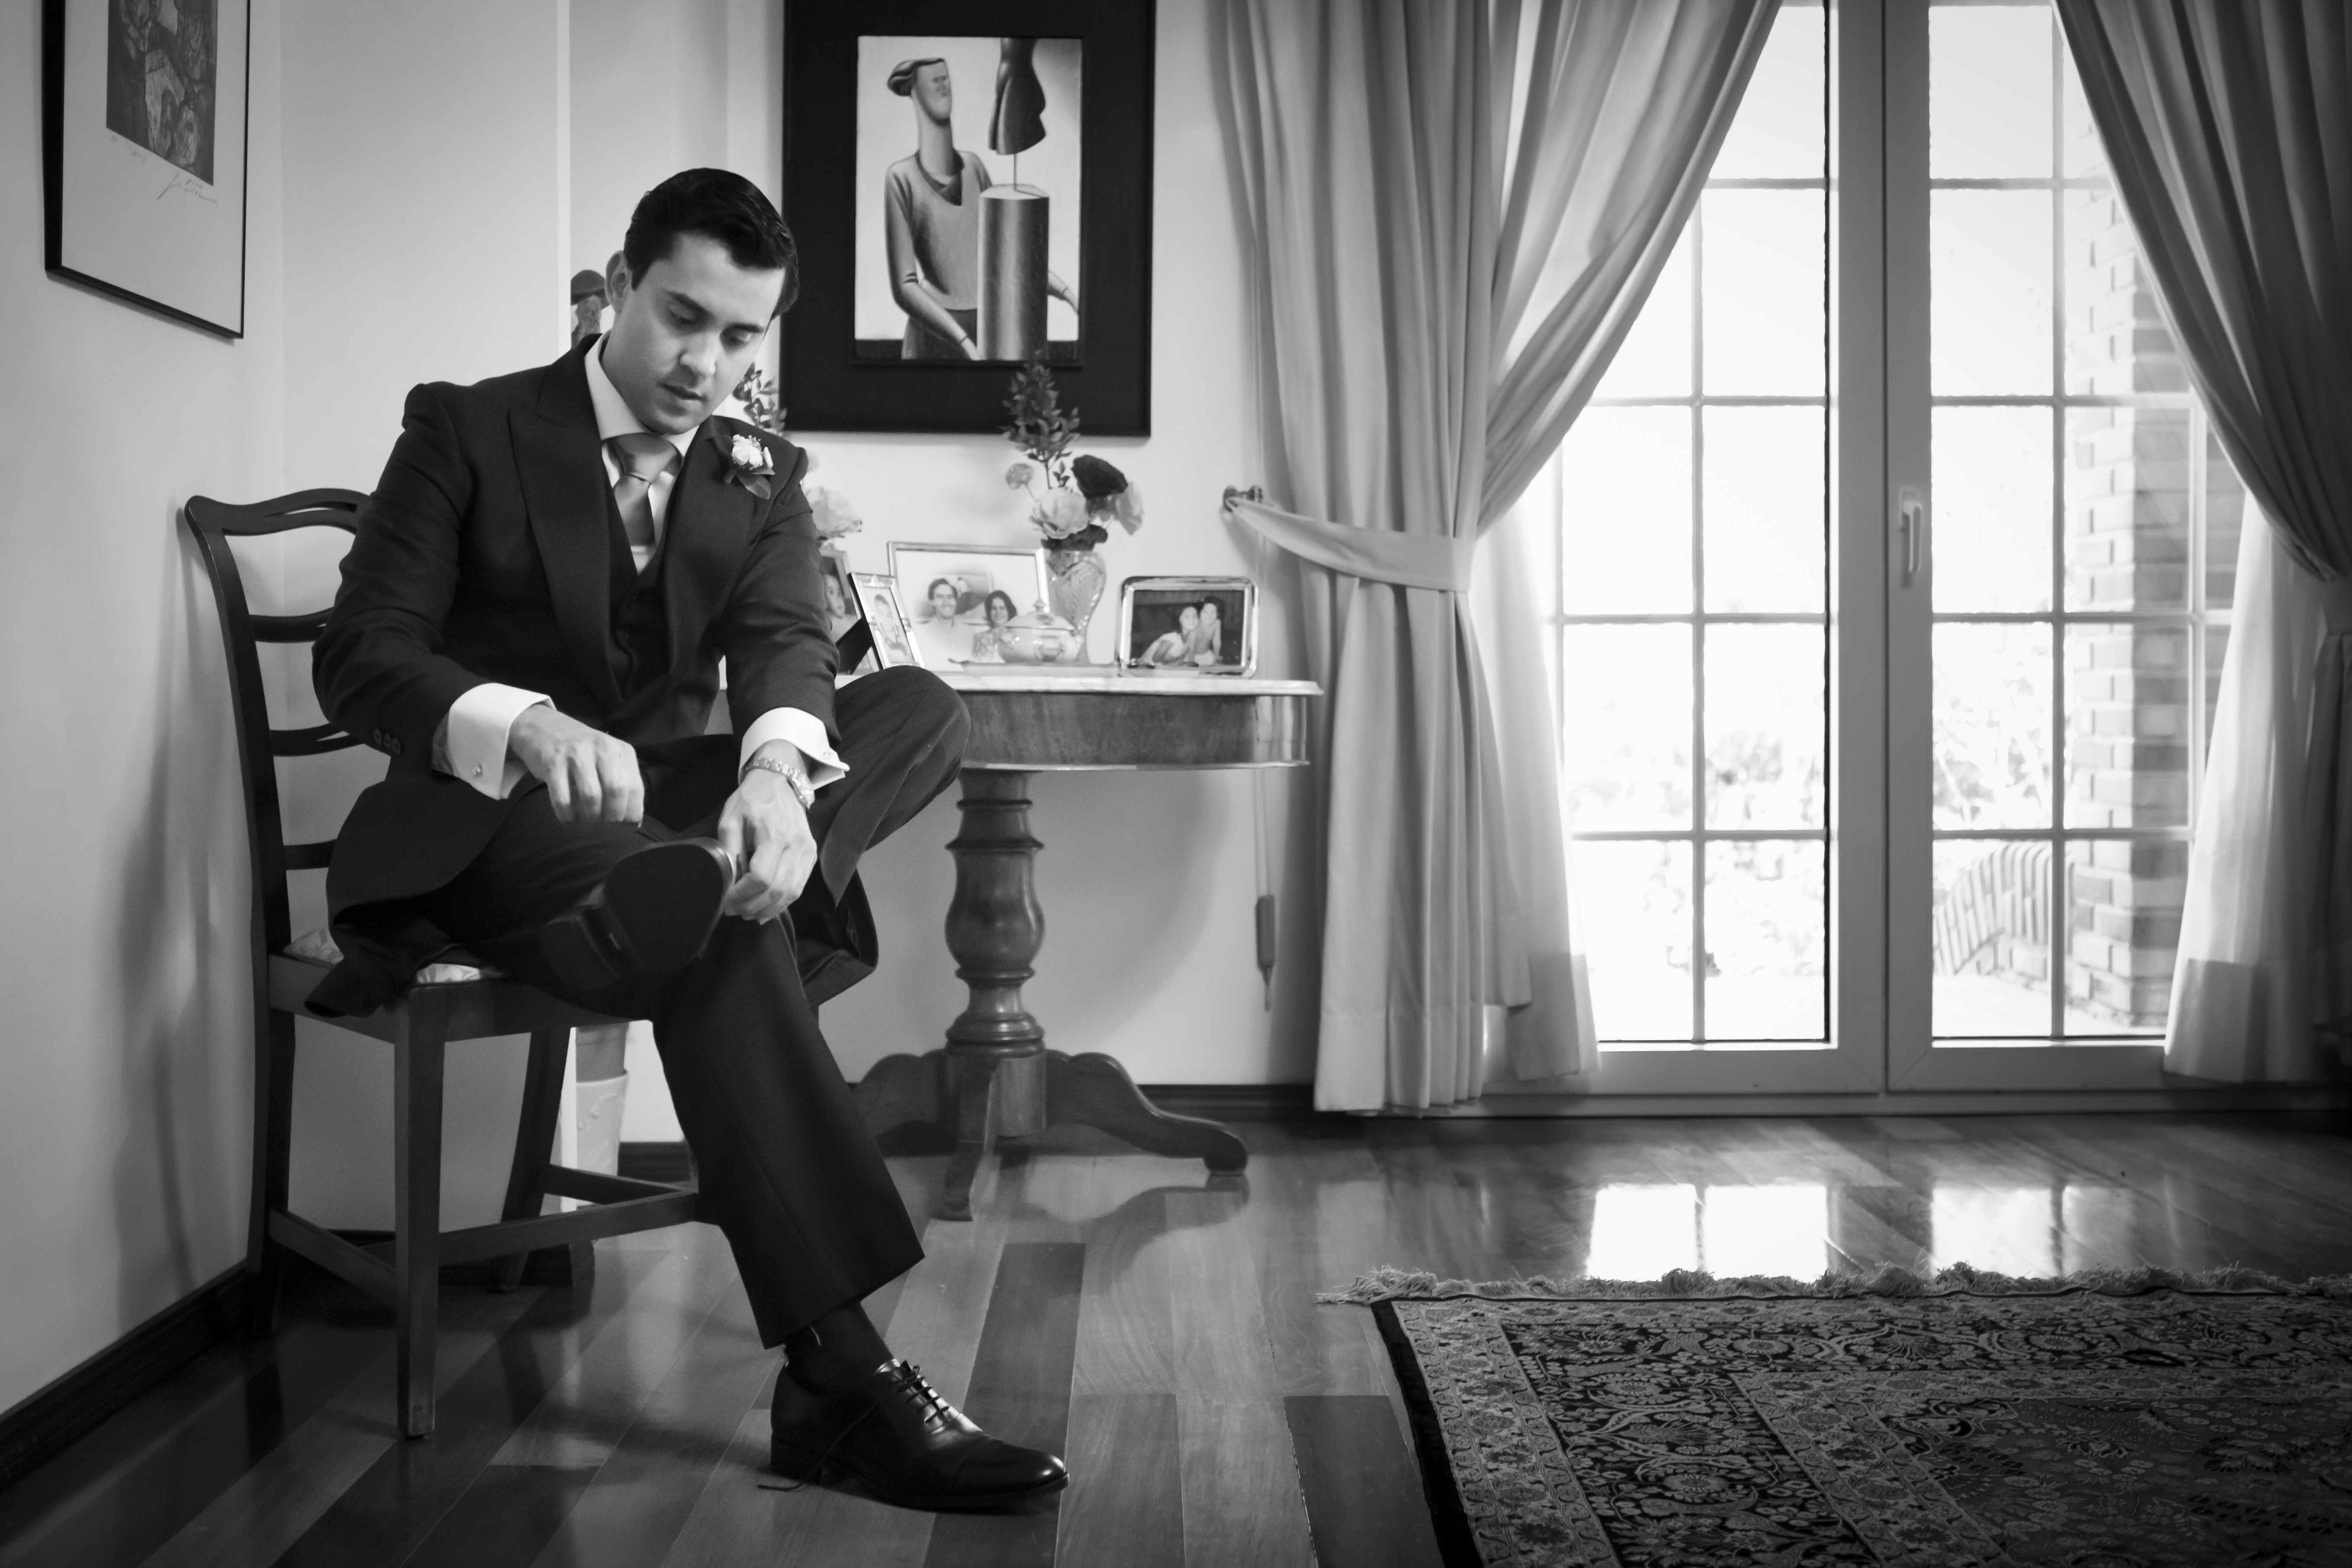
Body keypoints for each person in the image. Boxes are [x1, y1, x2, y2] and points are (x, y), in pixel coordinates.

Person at [309, 168, 1064, 1511]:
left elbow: (784, 644)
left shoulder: (758, 473)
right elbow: (362, 654)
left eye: (740, 336)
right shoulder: (468, 428)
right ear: (620, 285)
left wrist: (773, 778)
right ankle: (844, 1376)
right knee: (712, 925)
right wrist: (527, 724)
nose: (705, 364)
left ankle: (715, 881)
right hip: (494, 823)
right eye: (682, 318)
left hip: (665, 819)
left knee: (917, 708)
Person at [881, 56, 1076, 360]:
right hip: (933, 340)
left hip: (986, 331)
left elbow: (1009, 257)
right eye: (933, 79)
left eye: (945, 77)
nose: (943, 84)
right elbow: (905, 286)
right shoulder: (901, 178)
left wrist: (1067, 294)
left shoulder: (974, 168)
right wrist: (962, 342)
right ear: (912, 91)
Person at [1136, 604, 1198, 668]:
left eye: (1195, 616)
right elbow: (1156, 660)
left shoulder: (1189, 637)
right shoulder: (1172, 637)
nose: (1192, 620)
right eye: (1187, 617)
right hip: (1144, 669)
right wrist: (1174, 664)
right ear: (1179, 619)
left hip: (1160, 669)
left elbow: (1180, 660)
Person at [970, 589, 1019, 662]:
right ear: (989, 612)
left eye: (1002, 608)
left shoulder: (1017, 638)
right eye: (994, 608)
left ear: (1009, 611)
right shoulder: (980, 638)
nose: (998, 612)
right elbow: (977, 664)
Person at [1189, 599, 1226, 667]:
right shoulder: (1195, 624)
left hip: (1206, 654)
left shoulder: (1217, 623)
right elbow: (1191, 647)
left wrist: (1216, 658)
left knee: (1222, 668)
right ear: (1200, 612)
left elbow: (1217, 643)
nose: (1209, 616)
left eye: (1213, 612)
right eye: (1205, 612)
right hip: (1191, 656)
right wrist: (1192, 663)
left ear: (1218, 614)